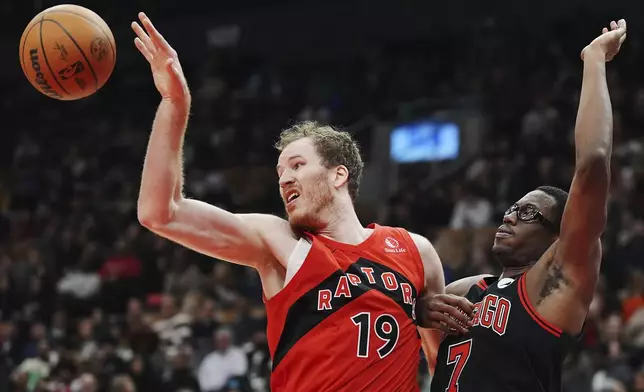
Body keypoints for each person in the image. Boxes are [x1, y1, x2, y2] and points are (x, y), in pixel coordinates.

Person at [130, 12, 473, 392]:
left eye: (296, 165)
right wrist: (174, 102)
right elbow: (160, 212)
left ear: (338, 175)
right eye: (280, 172)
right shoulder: (280, 243)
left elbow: (444, 366)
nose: (284, 179)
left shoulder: (416, 251)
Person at [425, 19, 627, 392]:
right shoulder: (462, 291)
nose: (509, 217)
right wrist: (420, 311)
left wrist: (594, 58)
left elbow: (594, 162)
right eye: (511, 210)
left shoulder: (555, 283)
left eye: (528, 213)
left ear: (556, 237)